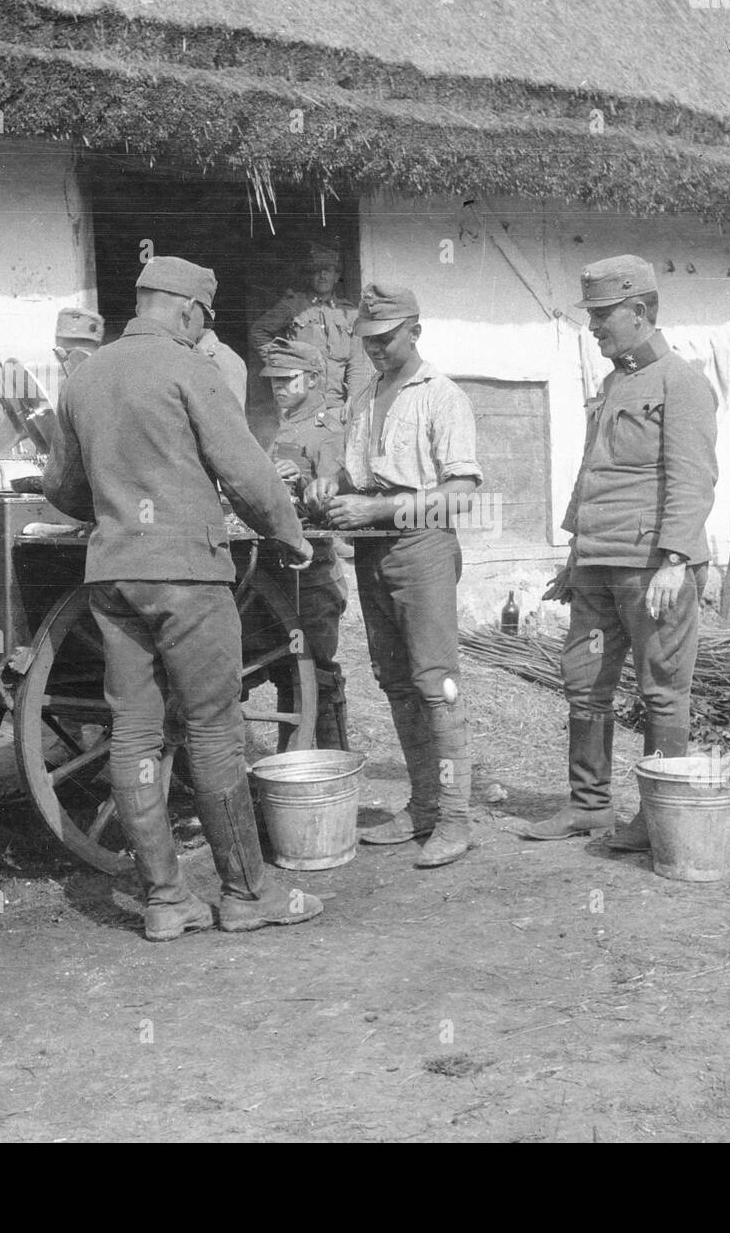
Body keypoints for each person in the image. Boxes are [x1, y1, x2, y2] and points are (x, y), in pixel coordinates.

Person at [43, 255, 324, 941]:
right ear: (191, 311)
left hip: (112, 577)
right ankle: (246, 897)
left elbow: (64, 489)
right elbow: (247, 471)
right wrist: (288, 535)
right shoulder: (190, 368)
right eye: (205, 320)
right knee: (213, 732)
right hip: (187, 576)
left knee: (134, 733)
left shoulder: (85, 378)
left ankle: (166, 901)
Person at [523, 255, 718, 849]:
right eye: (592, 315)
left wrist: (676, 560)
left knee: (661, 689)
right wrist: (576, 552)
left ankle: (659, 818)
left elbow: (693, 477)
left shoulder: (681, 381)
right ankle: (589, 807)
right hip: (599, 565)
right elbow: (593, 473)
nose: (595, 327)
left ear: (640, 311)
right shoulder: (612, 384)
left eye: (604, 315)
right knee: (585, 683)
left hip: (652, 568)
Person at [305, 283, 481, 868]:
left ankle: (456, 817)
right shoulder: (365, 395)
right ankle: (425, 803)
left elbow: (459, 498)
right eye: (368, 341)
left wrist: (377, 509)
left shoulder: (442, 395)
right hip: (374, 554)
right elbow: (360, 476)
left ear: (414, 331)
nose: (377, 349)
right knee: (396, 683)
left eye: (386, 338)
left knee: (438, 684)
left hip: (422, 549)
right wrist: (332, 484)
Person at [259, 339, 349, 748]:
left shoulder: (327, 432)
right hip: (283, 569)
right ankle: (290, 767)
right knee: (287, 671)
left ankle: (335, 767)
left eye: (287, 380)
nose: (278, 388)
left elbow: (335, 502)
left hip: (315, 574)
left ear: (312, 380)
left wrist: (302, 483)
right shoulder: (283, 427)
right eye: (273, 381)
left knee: (318, 672)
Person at [249, 242, 372, 412]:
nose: (322, 276)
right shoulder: (293, 305)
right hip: (298, 402)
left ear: (336, 276)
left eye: (327, 270)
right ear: (309, 275)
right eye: (316, 270)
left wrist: (353, 400)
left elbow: (356, 363)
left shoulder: (349, 313)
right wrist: (280, 363)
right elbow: (259, 331)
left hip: (336, 405)